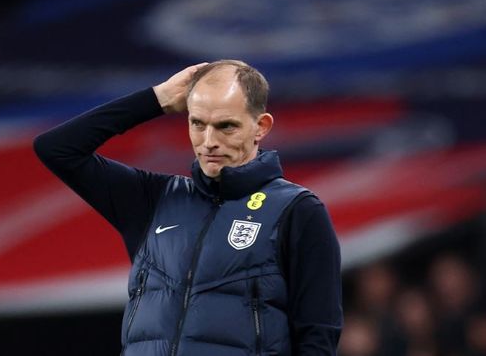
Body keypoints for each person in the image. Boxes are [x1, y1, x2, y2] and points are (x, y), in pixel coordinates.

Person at [33, 60, 343, 355]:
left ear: (261, 127)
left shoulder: (296, 210)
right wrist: (157, 99)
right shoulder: (153, 198)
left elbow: (318, 335)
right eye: (197, 123)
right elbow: (57, 149)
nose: (208, 141)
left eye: (226, 126)